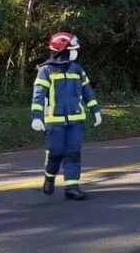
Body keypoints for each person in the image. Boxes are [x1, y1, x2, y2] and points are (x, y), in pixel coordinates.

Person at [31, 32, 102, 200]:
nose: (76, 52)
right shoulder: (45, 70)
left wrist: (96, 111)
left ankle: (72, 187)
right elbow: (38, 95)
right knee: (55, 153)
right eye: (73, 49)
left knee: (73, 153)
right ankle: (49, 176)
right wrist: (36, 116)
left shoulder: (77, 69)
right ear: (62, 51)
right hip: (54, 122)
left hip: (76, 121)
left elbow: (87, 92)